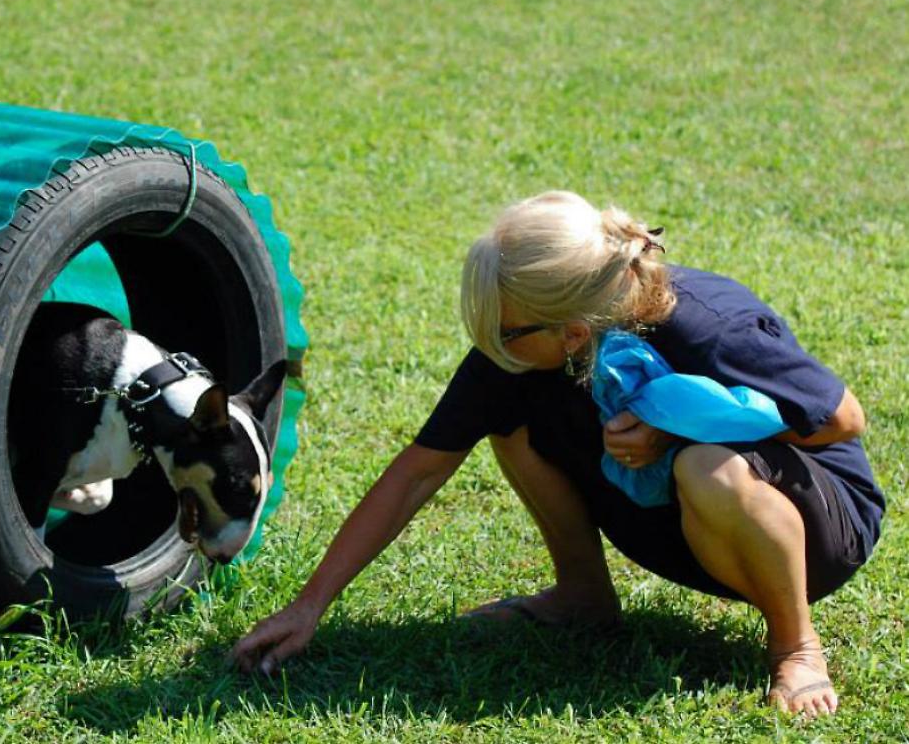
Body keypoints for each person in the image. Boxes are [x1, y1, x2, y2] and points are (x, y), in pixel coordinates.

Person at [231, 191, 884, 717]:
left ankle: (796, 646)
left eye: (506, 331)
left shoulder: (708, 322)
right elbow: (419, 470)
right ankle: (583, 598)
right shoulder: (527, 347)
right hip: (683, 525)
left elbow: (842, 421)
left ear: (571, 330)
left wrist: (673, 428)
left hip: (814, 530)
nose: (494, 347)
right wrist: (309, 604)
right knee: (510, 425)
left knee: (702, 463)